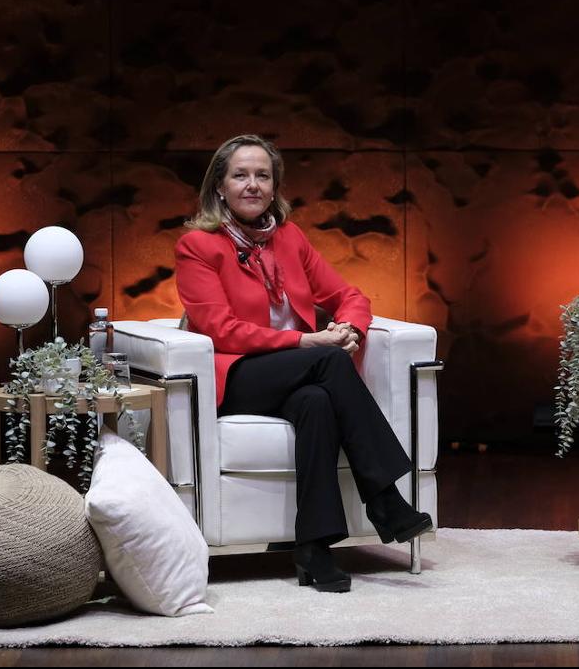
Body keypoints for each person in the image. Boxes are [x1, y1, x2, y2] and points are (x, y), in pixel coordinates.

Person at [175, 133, 432, 593]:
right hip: (236, 375)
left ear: (274, 187)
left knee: (316, 401)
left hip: (295, 374)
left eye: (262, 175)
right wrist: (306, 341)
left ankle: (314, 548)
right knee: (328, 363)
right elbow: (220, 329)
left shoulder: (289, 238)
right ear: (220, 187)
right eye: (240, 175)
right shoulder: (198, 245)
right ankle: (385, 498)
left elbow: (350, 296)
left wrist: (350, 329)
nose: (252, 184)